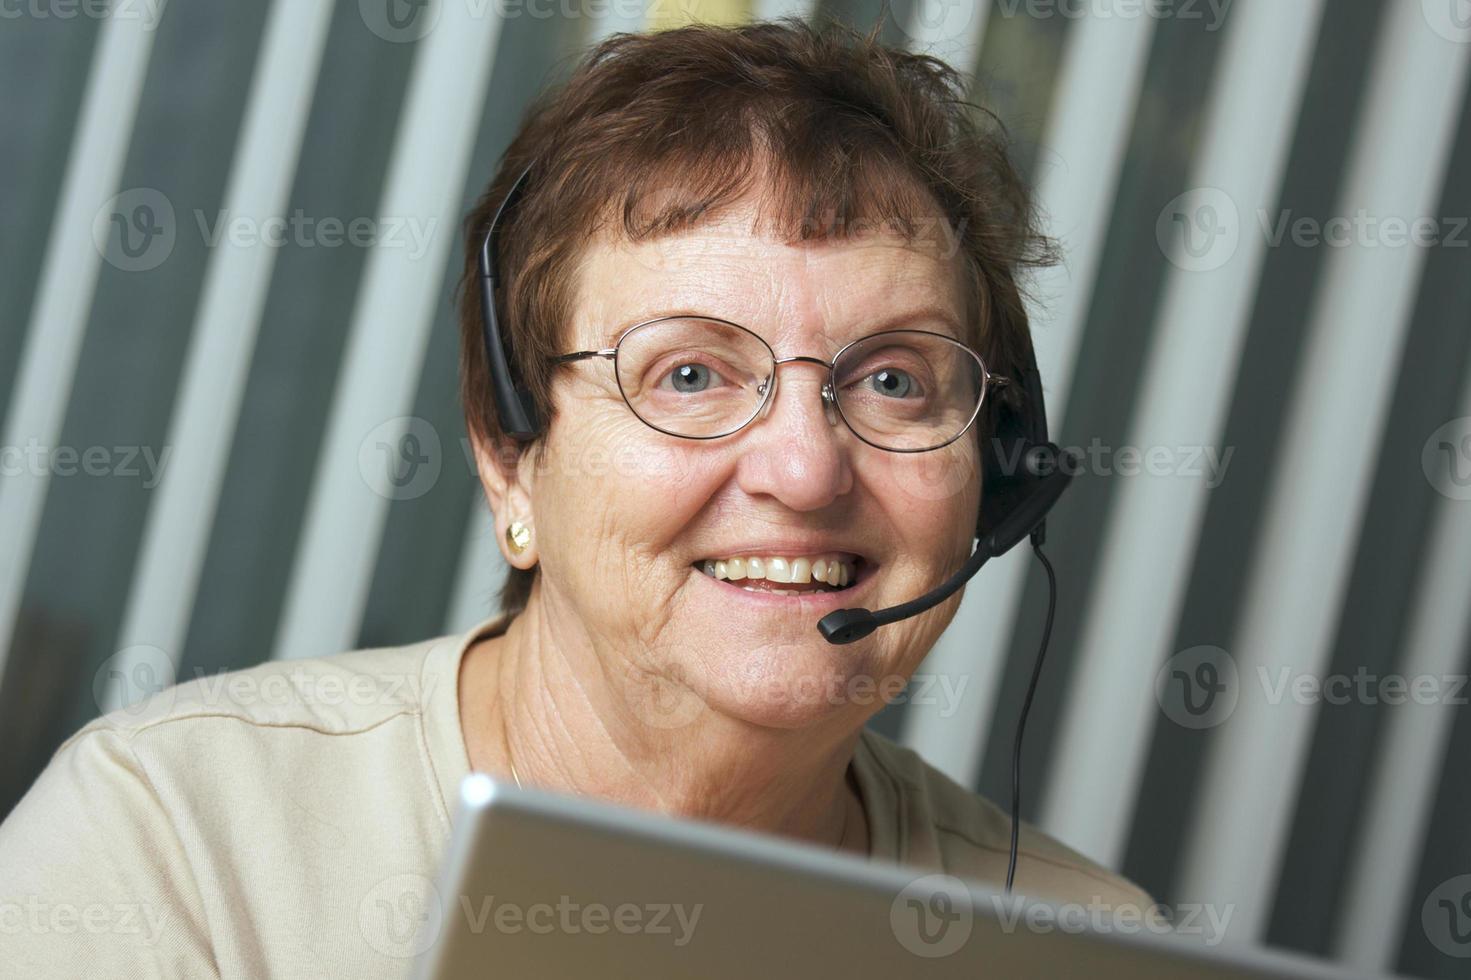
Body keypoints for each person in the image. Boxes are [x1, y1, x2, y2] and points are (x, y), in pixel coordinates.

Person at [0, 18, 1150, 976]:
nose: (803, 470)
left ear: (997, 471)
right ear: (512, 455)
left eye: (893, 379)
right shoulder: (173, 838)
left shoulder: (1081, 943)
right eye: (689, 374)